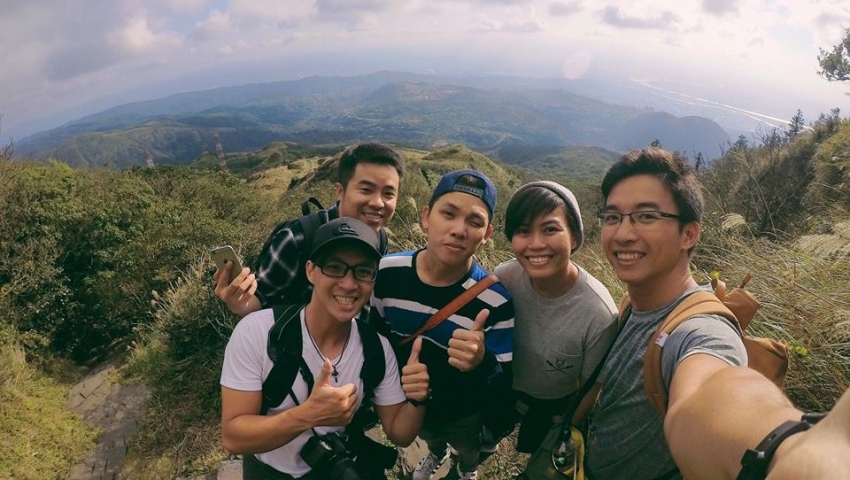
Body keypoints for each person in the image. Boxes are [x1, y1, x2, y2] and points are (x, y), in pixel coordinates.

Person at [584, 147, 850, 480]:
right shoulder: (632, 303)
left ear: (688, 234)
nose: (623, 233)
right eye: (613, 217)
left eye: (647, 216)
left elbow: (709, 389)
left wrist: (785, 450)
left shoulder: (700, 330)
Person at [220, 217, 429, 479]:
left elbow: (400, 434)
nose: (349, 283)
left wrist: (419, 399)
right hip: (269, 472)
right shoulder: (259, 332)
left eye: (363, 271)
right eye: (334, 267)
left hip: (336, 468)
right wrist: (309, 415)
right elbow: (234, 437)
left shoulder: (376, 348)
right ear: (311, 271)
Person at [369, 169, 515, 480]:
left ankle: (467, 468)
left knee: (467, 446)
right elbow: (377, 336)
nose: (459, 230)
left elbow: (503, 381)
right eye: (448, 214)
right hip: (413, 403)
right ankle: (437, 453)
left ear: (487, 234)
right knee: (430, 437)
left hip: (464, 411)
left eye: (474, 222)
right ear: (426, 217)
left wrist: (481, 361)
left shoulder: (496, 300)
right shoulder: (387, 273)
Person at [494, 181, 618, 454]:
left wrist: (567, 428)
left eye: (550, 229)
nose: (536, 244)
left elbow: (591, 386)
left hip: (553, 403)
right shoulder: (505, 278)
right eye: (523, 230)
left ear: (573, 237)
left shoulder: (599, 313)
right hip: (504, 386)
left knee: (537, 452)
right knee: (487, 435)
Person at [215, 142, 404, 317]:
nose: (378, 203)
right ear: (340, 191)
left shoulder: (379, 238)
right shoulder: (298, 237)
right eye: (366, 190)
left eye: (388, 193)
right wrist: (238, 301)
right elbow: (261, 300)